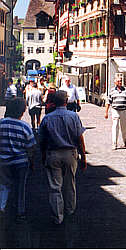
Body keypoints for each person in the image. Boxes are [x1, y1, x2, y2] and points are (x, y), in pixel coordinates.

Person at [38, 90, 87, 225]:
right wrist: (83, 157)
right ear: (66, 101)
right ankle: (70, 210)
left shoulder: (47, 118)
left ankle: (57, 216)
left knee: (55, 186)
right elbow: (80, 138)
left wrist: (43, 155)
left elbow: (41, 139)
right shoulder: (73, 116)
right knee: (70, 183)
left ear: (54, 102)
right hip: (70, 153)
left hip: (53, 153)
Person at [0, 97, 36, 222]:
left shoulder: (1, 123)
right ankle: (20, 212)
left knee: (4, 185)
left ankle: (2, 207)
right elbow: (31, 148)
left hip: (3, 161)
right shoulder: (25, 127)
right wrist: (32, 162)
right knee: (21, 187)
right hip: (21, 162)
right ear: (21, 111)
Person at [104, 76, 126, 150]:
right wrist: (106, 112)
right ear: (115, 82)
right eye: (118, 81)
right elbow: (108, 102)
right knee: (115, 126)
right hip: (115, 110)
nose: (119, 82)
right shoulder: (112, 91)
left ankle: (125, 142)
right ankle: (114, 143)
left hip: (124, 110)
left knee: (124, 127)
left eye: (120, 81)